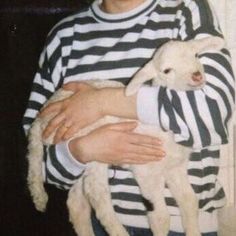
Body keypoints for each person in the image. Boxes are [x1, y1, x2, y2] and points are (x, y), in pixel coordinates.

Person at [23, 0, 235, 235]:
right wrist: (80, 151)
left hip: (185, 226)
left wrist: (101, 102)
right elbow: (38, 147)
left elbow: (215, 110)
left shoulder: (185, 10)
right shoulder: (64, 37)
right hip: (101, 225)